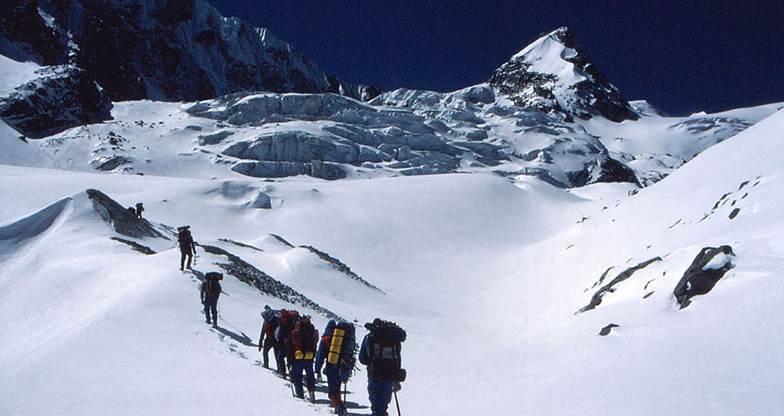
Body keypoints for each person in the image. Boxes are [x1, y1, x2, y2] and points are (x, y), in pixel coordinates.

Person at [359, 319, 407, 416]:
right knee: (382, 406)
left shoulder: (370, 337)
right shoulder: (393, 338)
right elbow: (397, 359)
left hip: (375, 375)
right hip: (390, 377)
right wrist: (396, 379)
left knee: (377, 407)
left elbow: (363, 359)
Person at [316, 320, 356, 416]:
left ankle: (339, 409)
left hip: (333, 366)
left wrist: (317, 369)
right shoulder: (347, 337)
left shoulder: (327, 338)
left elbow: (320, 354)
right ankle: (338, 406)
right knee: (337, 388)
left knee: (334, 390)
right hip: (345, 366)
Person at [290, 315, 318, 403]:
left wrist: (289, 360)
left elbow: (290, 346)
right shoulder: (311, 330)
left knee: (297, 376)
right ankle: (311, 392)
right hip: (309, 356)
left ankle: (300, 394)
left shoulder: (296, 331)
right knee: (310, 376)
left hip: (298, 356)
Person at [275, 309, 299, 378]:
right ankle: (292, 374)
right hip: (292, 343)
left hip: (284, 343)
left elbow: (281, 332)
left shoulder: (283, 321)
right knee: (290, 359)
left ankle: (283, 372)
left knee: (280, 357)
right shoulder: (293, 322)